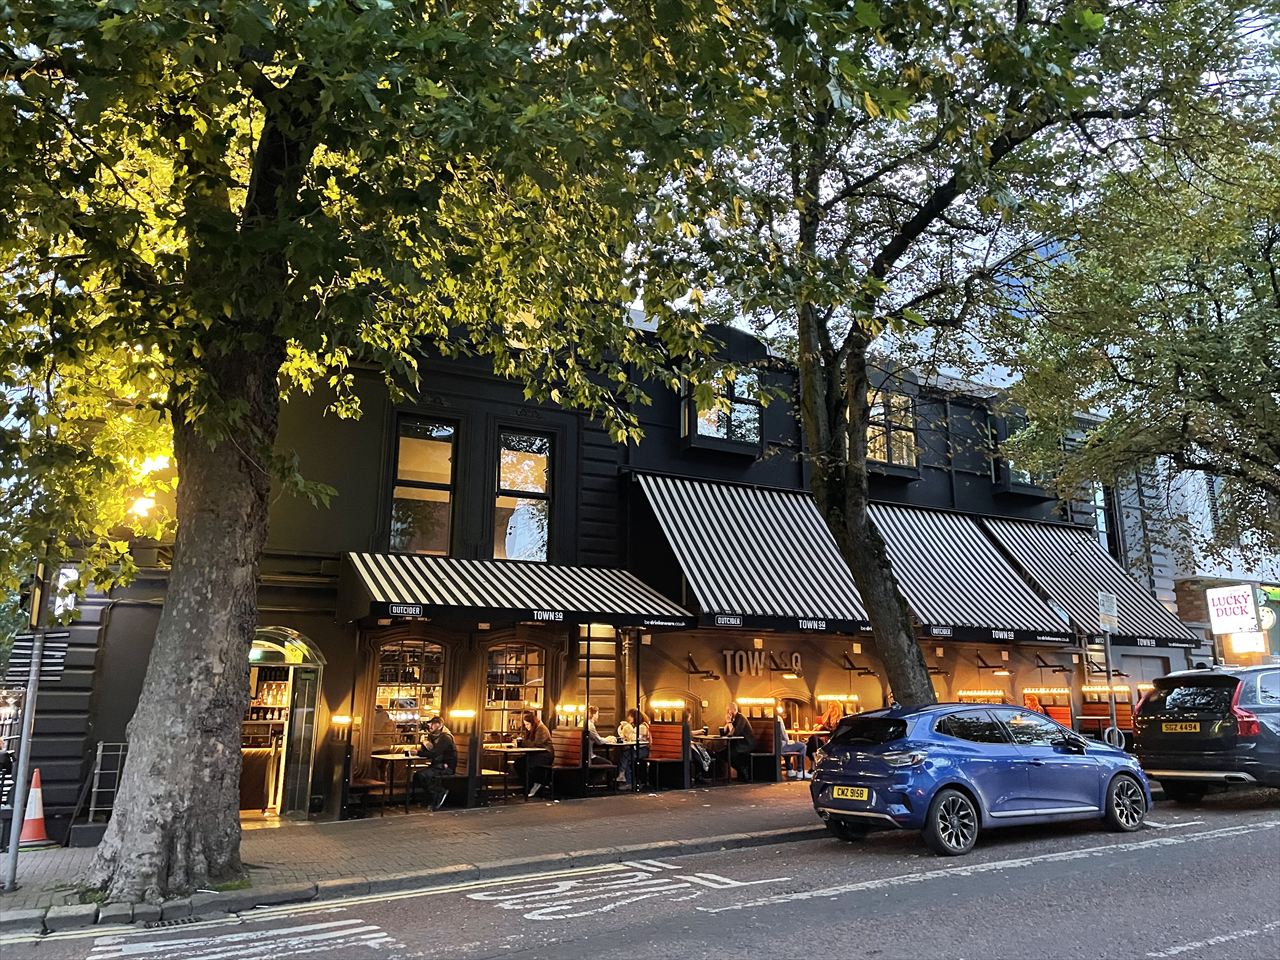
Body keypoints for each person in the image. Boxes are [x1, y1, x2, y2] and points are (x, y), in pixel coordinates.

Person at [411, 715, 456, 810]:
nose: (430, 726)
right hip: (438, 765)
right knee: (417, 776)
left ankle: (438, 793)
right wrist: (424, 743)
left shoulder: (445, 737)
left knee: (422, 775)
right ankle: (430, 797)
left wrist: (418, 753)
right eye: (430, 724)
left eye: (432, 724)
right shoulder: (435, 737)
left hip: (446, 767)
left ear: (439, 725)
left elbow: (435, 753)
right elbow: (431, 751)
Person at [516, 710, 554, 798]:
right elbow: (530, 743)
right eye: (525, 725)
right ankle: (528, 786)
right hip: (536, 754)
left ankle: (533, 785)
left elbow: (537, 744)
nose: (526, 727)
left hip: (545, 755)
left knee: (527, 765)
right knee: (518, 763)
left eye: (527, 724)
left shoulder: (541, 729)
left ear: (533, 723)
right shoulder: (533, 730)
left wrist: (522, 743)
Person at [720, 702, 755, 782]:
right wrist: (727, 723)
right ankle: (741, 769)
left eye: (728, 710)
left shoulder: (741, 718)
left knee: (730, 753)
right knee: (722, 753)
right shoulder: (733, 718)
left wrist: (729, 722)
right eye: (727, 711)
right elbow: (723, 733)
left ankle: (743, 770)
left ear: (734, 710)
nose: (728, 712)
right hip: (737, 744)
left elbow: (734, 733)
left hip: (746, 744)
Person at [806, 701, 843, 772]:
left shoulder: (840, 718)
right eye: (829, 706)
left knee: (814, 741)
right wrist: (828, 712)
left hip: (831, 737)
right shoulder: (828, 715)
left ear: (836, 708)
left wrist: (822, 728)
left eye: (832, 707)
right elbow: (824, 722)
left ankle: (815, 763)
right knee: (811, 741)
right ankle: (815, 761)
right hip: (823, 735)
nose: (831, 708)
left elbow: (835, 730)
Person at [616, 708, 650, 788]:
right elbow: (625, 736)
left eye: (630, 716)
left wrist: (627, 727)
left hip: (643, 750)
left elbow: (633, 738)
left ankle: (624, 778)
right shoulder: (635, 727)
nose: (628, 718)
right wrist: (623, 728)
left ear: (635, 717)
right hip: (635, 749)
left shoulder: (642, 727)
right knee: (625, 756)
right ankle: (627, 780)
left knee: (626, 756)